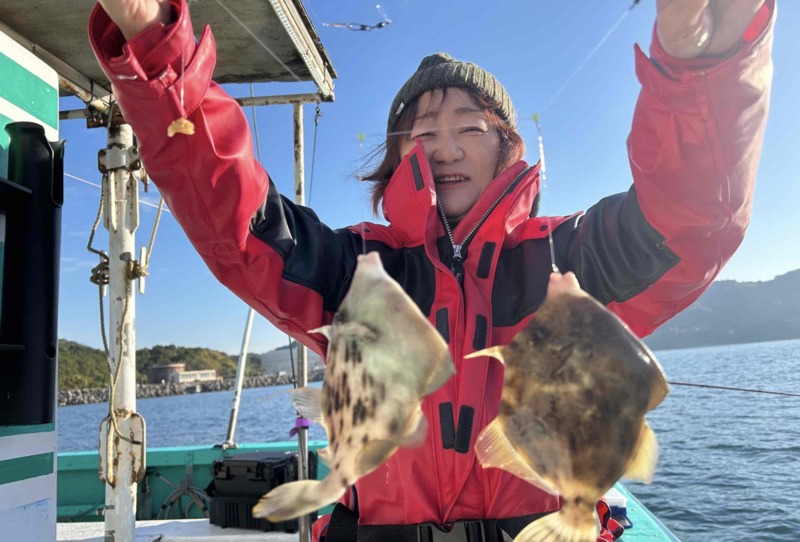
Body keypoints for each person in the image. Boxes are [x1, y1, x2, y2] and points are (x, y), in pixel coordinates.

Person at [89, 1, 775, 540]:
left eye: (470, 126)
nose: (445, 147)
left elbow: (691, 220)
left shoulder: (567, 257)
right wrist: (156, 45)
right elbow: (236, 216)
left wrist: (701, 74)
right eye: (422, 132)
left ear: (506, 144)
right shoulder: (358, 268)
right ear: (397, 156)